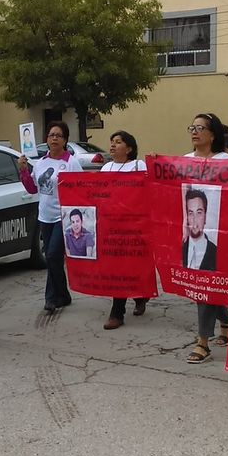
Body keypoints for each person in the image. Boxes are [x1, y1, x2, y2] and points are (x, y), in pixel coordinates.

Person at [183, 113, 228, 364]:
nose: (195, 131)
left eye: (200, 128)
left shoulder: (227, 161)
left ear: (212, 134)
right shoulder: (183, 161)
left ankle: (203, 342)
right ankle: (226, 319)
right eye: (192, 127)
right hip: (191, 231)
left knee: (206, 286)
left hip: (219, 233)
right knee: (201, 287)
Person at [19, 121, 83, 312]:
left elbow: (79, 189)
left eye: (58, 135)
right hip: (44, 216)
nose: (54, 138)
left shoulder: (70, 162)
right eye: (51, 135)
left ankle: (51, 297)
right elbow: (32, 188)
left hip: (63, 217)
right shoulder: (40, 163)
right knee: (51, 256)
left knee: (54, 254)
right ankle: (63, 293)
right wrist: (23, 171)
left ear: (65, 140)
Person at [100, 130, 149, 329]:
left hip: (135, 225)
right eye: (111, 142)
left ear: (129, 148)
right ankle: (117, 311)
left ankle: (140, 295)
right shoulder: (106, 168)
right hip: (113, 226)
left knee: (135, 264)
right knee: (117, 266)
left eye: (118, 142)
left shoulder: (138, 166)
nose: (112, 145)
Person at [182, 189, 217, 271]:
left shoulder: (216, 253)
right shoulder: (179, 249)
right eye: (191, 213)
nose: (194, 220)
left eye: (199, 212)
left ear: (205, 216)